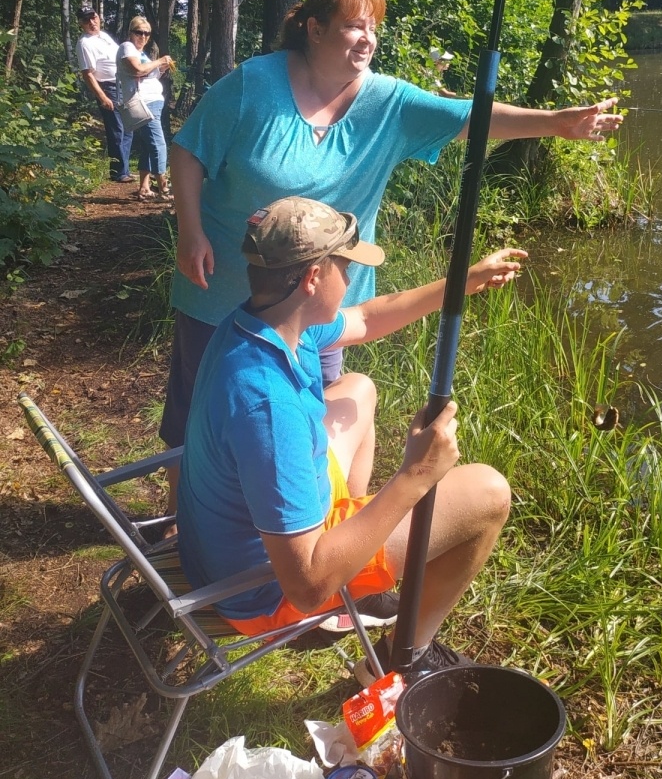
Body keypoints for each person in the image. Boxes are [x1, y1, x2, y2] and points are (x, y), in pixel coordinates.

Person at [162, 0, 622, 463]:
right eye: (354, 26)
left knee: (308, 426)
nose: (368, 38)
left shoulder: (388, 102)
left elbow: (469, 117)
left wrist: (554, 122)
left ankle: (304, 521)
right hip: (223, 284)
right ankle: (182, 524)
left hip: (319, 302)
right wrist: (191, 232)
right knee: (199, 420)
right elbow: (190, 149)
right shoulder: (253, 85)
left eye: (374, 27)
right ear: (315, 30)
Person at [177, 195, 523, 680]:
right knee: (488, 493)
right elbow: (307, 586)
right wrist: (416, 475)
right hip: (263, 592)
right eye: (345, 265)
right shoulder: (269, 407)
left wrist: (462, 284)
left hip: (229, 545)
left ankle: (359, 575)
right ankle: (405, 655)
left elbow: (368, 317)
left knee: (358, 388)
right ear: (313, 277)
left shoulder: (257, 324)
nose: (352, 277)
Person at [116, 16, 176, 201]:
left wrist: (161, 68)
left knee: (149, 146)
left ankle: (144, 187)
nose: (143, 36)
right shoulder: (127, 47)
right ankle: (164, 188)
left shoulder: (140, 53)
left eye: (146, 33)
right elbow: (137, 70)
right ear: (130, 32)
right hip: (144, 104)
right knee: (159, 145)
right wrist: (159, 61)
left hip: (152, 102)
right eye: (139, 32)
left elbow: (147, 75)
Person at [75, 8, 134, 182]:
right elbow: (88, 74)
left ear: (99, 18)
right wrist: (102, 97)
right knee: (116, 130)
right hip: (108, 88)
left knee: (128, 128)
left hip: (122, 85)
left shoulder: (104, 37)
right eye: (87, 21)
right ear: (81, 24)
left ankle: (124, 169)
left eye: (93, 18)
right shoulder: (84, 43)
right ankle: (118, 172)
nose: (92, 23)